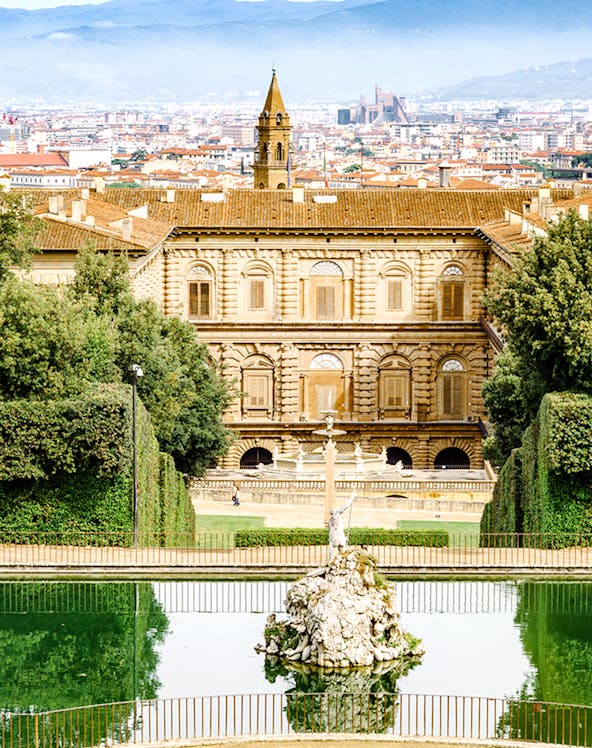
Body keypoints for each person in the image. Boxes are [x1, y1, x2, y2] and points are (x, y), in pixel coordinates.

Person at [328, 490, 356, 559]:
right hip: (341, 539)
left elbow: (331, 532)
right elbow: (346, 505)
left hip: (335, 540)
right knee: (343, 556)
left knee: (332, 558)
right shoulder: (337, 514)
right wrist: (352, 497)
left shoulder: (330, 521)